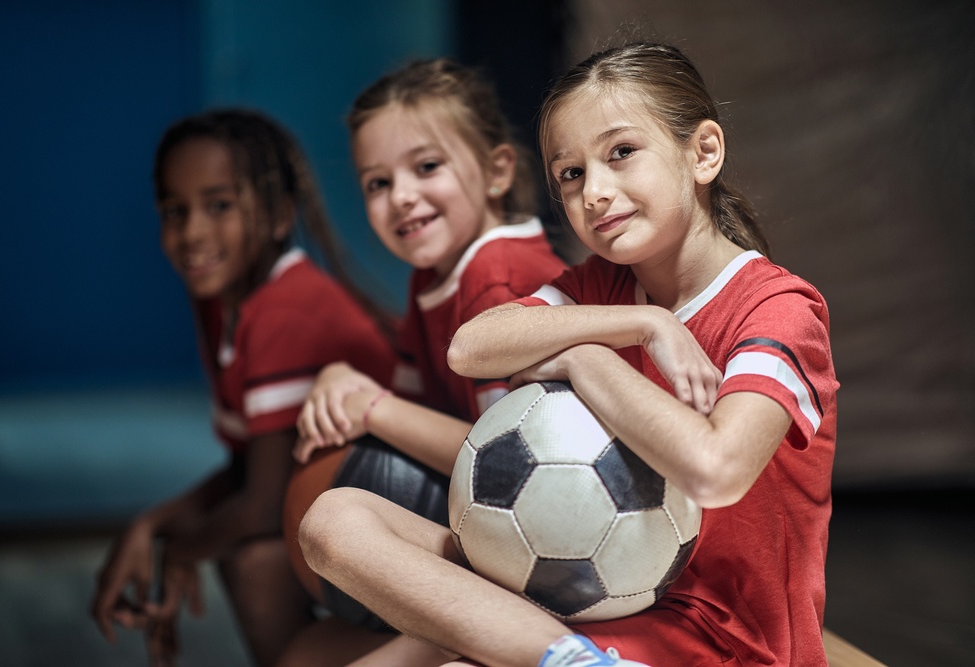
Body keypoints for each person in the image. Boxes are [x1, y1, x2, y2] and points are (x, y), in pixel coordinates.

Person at [298, 40, 838, 667]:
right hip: (577, 604)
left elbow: (716, 469)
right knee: (334, 520)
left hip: (720, 640)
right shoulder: (600, 289)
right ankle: (567, 659)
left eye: (622, 153)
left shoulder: (778, 310)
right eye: (571, 173)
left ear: (704, 152)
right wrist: (640, 324)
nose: (596, 192)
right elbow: (470, 347)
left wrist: (588, 358)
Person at [279, 58, 568, 665]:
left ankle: (553, 648)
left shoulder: (496, 281)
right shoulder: (432, 277)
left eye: (426, 167)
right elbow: (418, 410)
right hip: (504, 525)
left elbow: (508, 463)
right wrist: (344, 382)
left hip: (552, 535)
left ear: (496, 171)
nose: (401, 197)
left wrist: (375, 409)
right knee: (301, 652)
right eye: (377, 183)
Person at [90, 108, 398, 667]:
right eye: (173, 211)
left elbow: (259, 504)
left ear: (280, 214)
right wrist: (152, 525)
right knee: (242, 546)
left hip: (412, 521)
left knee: (254, 557)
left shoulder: (285, 310)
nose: (192, 232)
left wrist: (181, 552)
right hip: (347, 513)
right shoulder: (227, 307)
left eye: (219, 205)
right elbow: (248, 467)